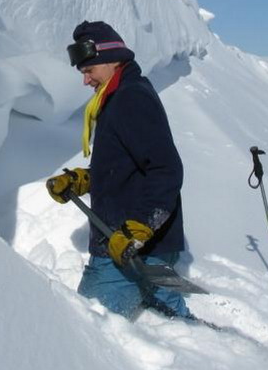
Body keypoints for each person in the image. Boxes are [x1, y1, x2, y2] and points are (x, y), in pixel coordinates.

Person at [46, 20, 191, 320]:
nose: (86, 80)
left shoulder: (130, 98)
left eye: (89, 71)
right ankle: (217, 349)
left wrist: (139, 229)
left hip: (126, 246)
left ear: (110, 60)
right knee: (172, 317)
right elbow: (125, 163)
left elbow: (166, 169)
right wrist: (81, 180)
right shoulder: (120, 93)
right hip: (142, 243)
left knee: (87, 324)